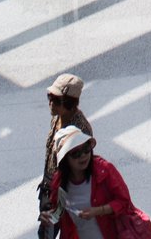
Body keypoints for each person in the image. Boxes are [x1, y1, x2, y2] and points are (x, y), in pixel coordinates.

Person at [48, 127, 138, 239]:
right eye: (76, 153)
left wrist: (98, 211)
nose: (83, 155)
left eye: (86, 148)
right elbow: (59, 214)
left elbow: (124, 202)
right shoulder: (59, 182)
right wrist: (49, 217)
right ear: (65, 158)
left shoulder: (105, 170)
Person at [41, 74, 92, 236]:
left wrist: (59, 206)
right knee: (45, 232)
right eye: (49, 97)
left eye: (55, 100)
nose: (50, 103)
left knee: (57, 230)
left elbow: (81, 169)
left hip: (64, 191)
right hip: (48, 187)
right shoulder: (57, 117)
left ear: (69, 103)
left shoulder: (81, 130)